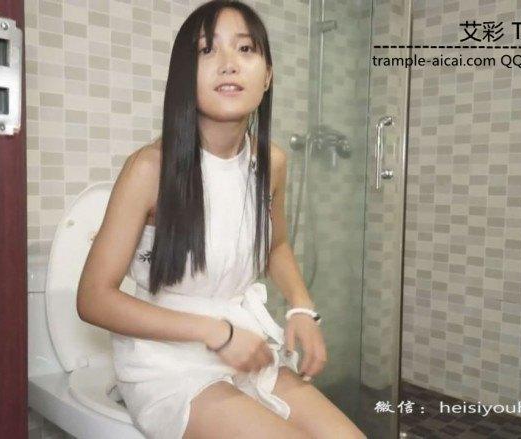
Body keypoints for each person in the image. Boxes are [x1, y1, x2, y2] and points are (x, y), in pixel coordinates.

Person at [77, 1, 366, 438]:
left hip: (243, 344)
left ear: (267, 76)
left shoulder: (271, 162)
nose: (229, 63)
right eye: (207, 50)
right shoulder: (150, 169)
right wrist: (217, 333)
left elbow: (276, 245)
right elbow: (93, 299)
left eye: (245, 49)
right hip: (168, 360)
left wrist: (302, 308)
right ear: (183, 76)